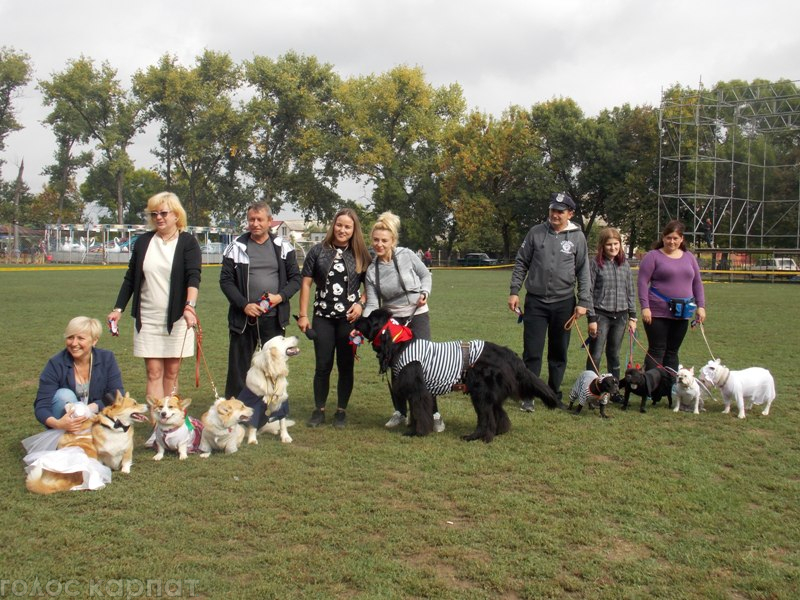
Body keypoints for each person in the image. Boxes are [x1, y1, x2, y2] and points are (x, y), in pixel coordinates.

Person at [108, 192, 201, 400]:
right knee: (153, 373)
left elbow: (193, 277)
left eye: (164, 213)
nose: (158, 217)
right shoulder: (143, 242)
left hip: (177, 318)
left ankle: (168, 428)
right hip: (148, 318)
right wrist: (118, 309)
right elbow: (131, 278)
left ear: (176, 215)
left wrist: (190, 306)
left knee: (171, 374)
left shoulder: (188, 242)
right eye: (154, 214)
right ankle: (155, 428)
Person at [508, 192, 591, 409]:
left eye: (560, 211)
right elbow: (521, 262)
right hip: (535, 302)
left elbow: (583, 271)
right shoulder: (535, 232)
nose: (555, 214)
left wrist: (583, 301)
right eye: (553, 210)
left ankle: (553, 395)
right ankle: (528, 395)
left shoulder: (577, 236)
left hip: (564, 303)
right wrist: (514, 290)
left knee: (558, 352)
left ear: (570, 213)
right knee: (532, 351)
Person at [363, 211, 443, 432]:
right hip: (393, 322)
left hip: (417, 314)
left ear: (393, 241)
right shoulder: (372, 272)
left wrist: (425, 292)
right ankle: (400, 411)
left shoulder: (407, 255)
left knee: (424, 365)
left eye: (384, 241)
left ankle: (434, 413)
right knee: (396, 367)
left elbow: (426, 275)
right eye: (376, 240)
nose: (379, 244)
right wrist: (361, 326)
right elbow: (371, 305)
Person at [298, 208, 372, 428]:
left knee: (346, 365)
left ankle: (341, 411)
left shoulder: (361, 254)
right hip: (322, 317)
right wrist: (303, 315)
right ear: (333, 225)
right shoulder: (317, 251)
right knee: (323, 365)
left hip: (348, 320)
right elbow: (306, 283)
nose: (342, 230)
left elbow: (370, 287)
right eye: (339, 225)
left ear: (353, 229)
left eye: (347, 226)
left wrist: (360, 304)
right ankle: (319, 410)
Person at [220, 201, 301, 401]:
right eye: (251, 220)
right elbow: (226, 281)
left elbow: (296, 279)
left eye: (260, 219)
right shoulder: (236, 246)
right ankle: (235, 408)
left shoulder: (283, 247)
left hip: (274, 317)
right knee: (239, 366)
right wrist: (244, 304)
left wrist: (280, 297)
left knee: (274, 365)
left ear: (270, 222)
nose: (255, 224)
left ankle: (271, 407)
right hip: (244, 318)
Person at [637, 219, 706, 374]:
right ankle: (650, 387)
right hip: (657, 312)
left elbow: (697, 283)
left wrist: (701, 306)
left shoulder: (689, 257)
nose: (672, 241)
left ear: (681, 239)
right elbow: (642, 283)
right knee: (657, 350)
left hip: (682, 312)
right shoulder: (653, 256)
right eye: (669, 237)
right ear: (663, 238)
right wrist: (645, 307)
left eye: (675, 238)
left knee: (672, 351)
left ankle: (669, 387)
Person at [34, 316, 125, 431]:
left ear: (94, 340)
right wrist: (58, 424)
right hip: (65, 423)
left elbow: (117, 394)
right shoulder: (55, 364)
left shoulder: (107, 358)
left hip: (98, 419)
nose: (74, 343)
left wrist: (89, 409)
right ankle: (64, 438)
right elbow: (41, 406)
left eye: (80, 338)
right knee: (64, 396)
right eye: (70, 337)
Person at [586, 227, 637, 382]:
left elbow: (630, 291)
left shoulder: (625, 264)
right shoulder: (594, 264)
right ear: (602, 245)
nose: (613, 247)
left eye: (616, 244)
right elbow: (588, 291)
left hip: (621, 316)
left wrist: (633, 317)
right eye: (609, 244)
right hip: (601, 315)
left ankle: (614, 388)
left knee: (614, 354)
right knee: (596, 354)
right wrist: (591, 318)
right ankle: (591, 387)